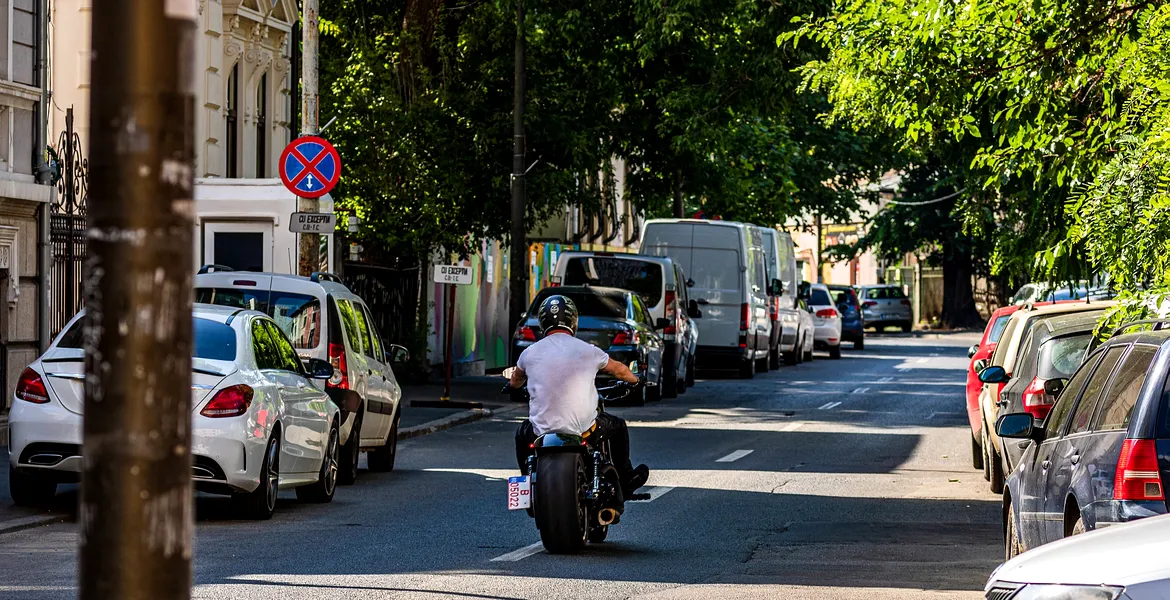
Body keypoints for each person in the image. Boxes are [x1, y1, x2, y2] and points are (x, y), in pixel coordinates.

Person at [509, 294, 650, 496]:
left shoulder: (529, 353)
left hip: (540, 432)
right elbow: (619, 370)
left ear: (542, 322)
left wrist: (515, 385)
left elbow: (515, 381)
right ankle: (626, 480)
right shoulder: (588, 350)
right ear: (573, 321)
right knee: (618, 427)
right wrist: (636, 380)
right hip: (585, 430)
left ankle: (526, 488)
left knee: (521, 434)